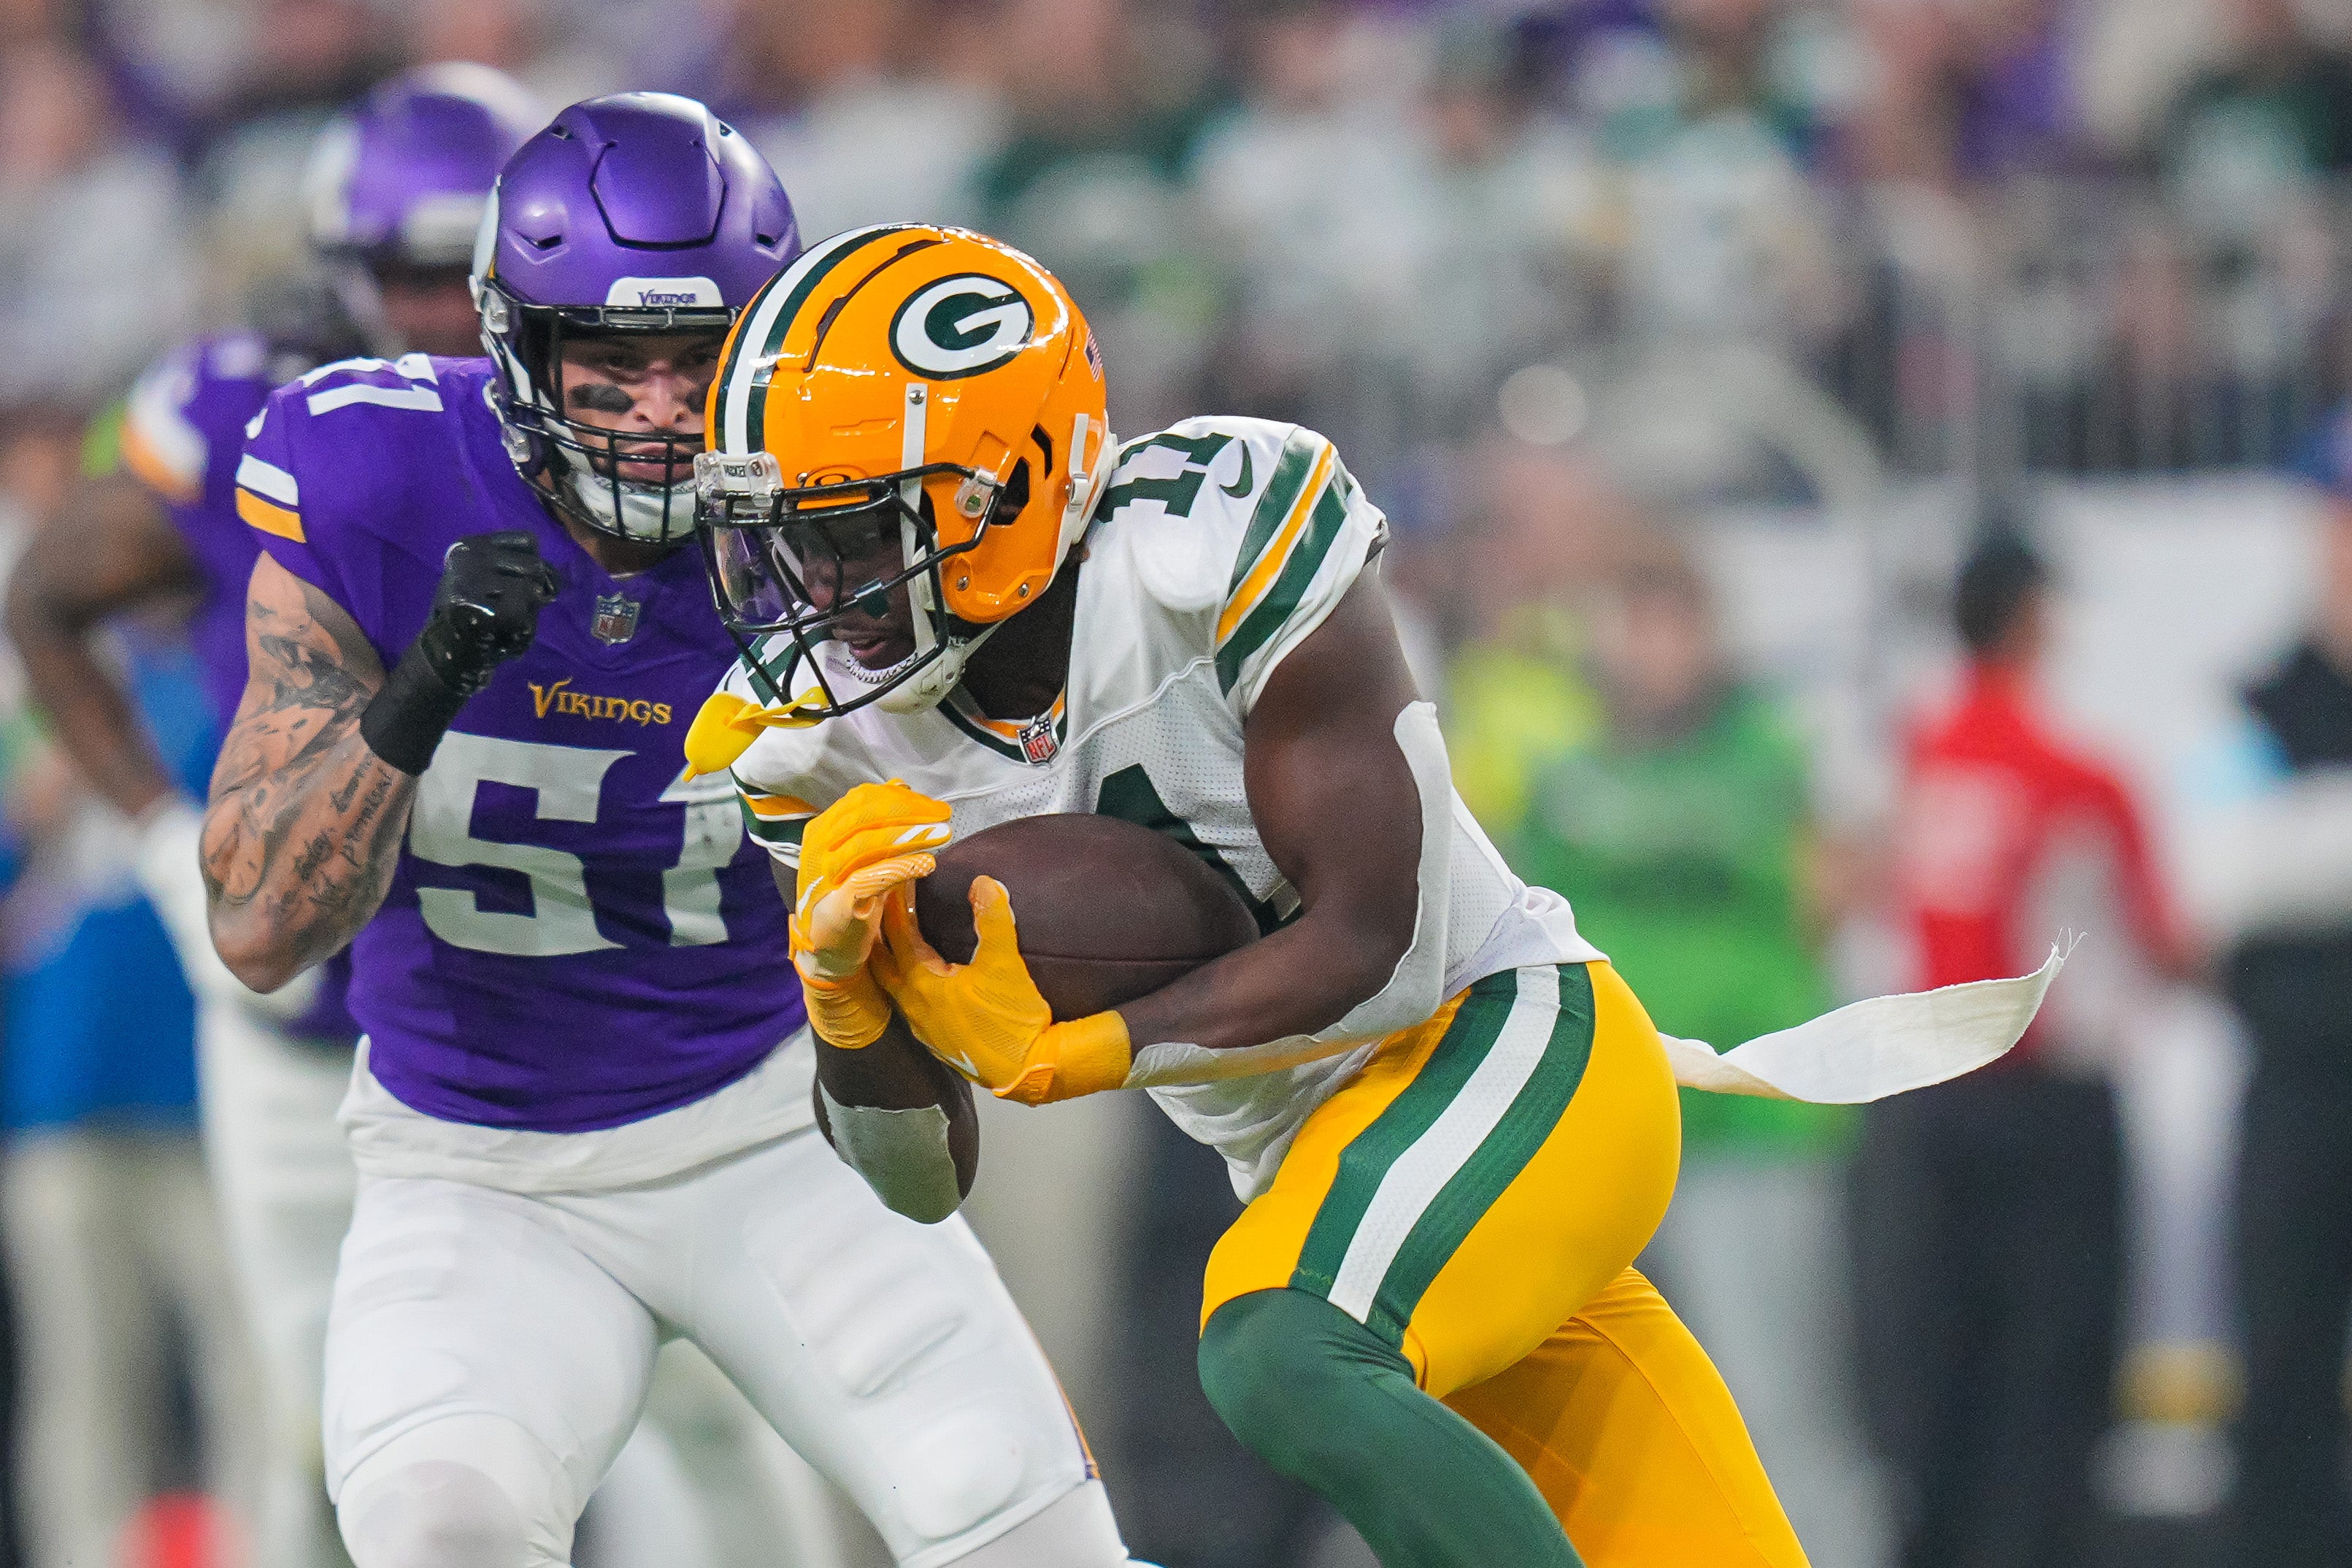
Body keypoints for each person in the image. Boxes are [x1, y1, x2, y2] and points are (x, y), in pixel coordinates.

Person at [688, 226, 2048, 1567]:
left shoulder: (1202, 551)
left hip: (1504, 1050)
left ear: (1008, 487)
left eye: (853, 533)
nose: (817, 591)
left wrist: (1090, 1048)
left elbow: (1375, 944)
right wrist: (845, 1007)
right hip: (1318, 1161)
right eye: (783, 543)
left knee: (1279, 1347)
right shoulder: (812, 744)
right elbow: (919, 1187)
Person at [198, 96, 1142, 1568]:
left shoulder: (851, 501)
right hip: (473, 1157)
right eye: (611, 363)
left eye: (696, 359)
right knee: (440, 1527)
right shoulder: (376, 478)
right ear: (521, 351)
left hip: (774, 1118)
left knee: (1012, 1520)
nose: (655, 409)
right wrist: (433, 674)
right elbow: (258, 932)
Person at [7, 65, 541, 1568]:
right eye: (410, 274)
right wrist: (163, 849)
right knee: (308, 1427)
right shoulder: (248, 406)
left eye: (471, 274)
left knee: (606, 1425)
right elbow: (44, 598)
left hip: (530, 1007)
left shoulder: (610, 418)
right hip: (302, 1028)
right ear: (345, 267)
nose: (441, 311)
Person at [1497, 535, 1873, 1564]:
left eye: (1673, 626)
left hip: (1745, 1121)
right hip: (1604, 1125)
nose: (1654, 651)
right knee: (1588, 1400)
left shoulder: (1775, 753)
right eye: (1637, 626)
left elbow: (1835, 892)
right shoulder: (1567, 770)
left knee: (1775, 1394)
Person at [1856, 531, 2191, 1568]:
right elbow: (2158, 942)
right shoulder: (2081, 773)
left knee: (1937, 1365)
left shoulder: (1911, 753)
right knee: (2054, 1372)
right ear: (2034, 617)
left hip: (1925, 1099)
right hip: (2044, 1103)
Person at [2194, 406, 2352, 1568]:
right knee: (2282, 1371)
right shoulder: (2258, 696)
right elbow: (2215, 880)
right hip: (2298, 1091)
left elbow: (2267, 865)